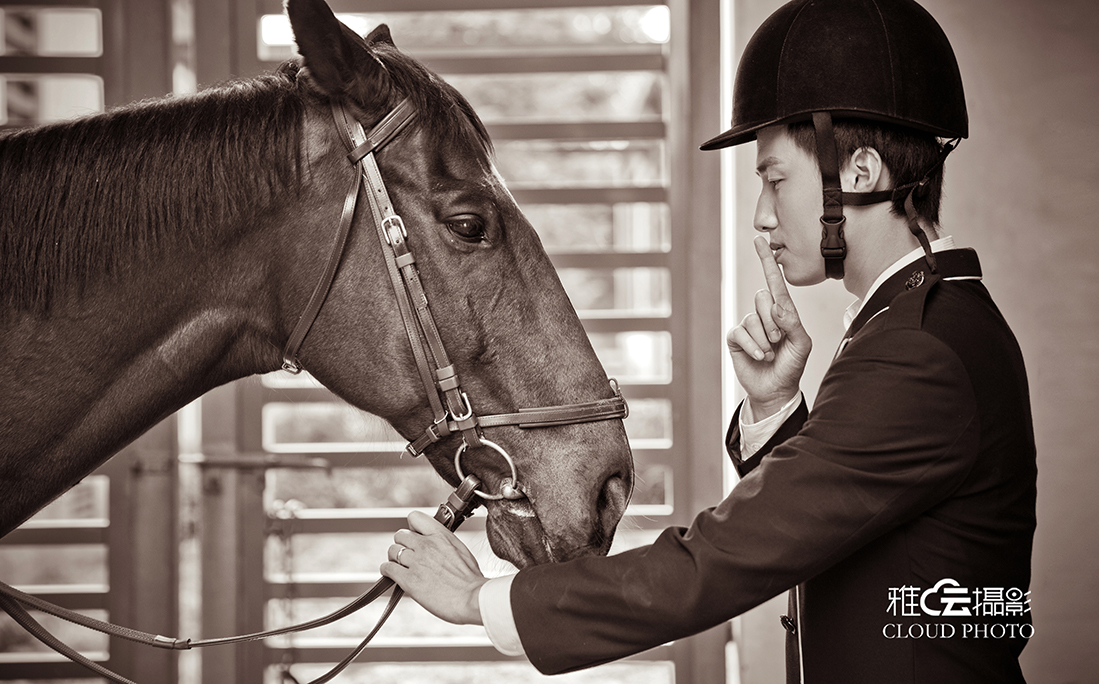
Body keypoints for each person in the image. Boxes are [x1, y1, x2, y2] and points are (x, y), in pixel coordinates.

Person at [380, 0, 1038, 681]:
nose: (760, 216)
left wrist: (479, 599)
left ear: (861, 173)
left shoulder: (918, 351)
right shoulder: (921, 319)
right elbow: (834, 523)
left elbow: (727, 558)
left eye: (774, 180)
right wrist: (776, 409)